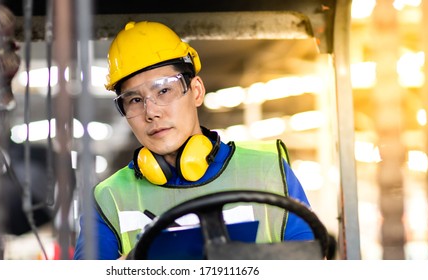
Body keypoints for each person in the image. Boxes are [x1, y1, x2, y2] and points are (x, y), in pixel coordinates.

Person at [74, 21, 314, 260]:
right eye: (135, 100)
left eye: (164, 91)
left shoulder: (268, 171)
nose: (151, 112)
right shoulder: (108, 199)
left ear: (196, 91)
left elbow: (312, 263)